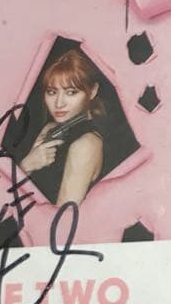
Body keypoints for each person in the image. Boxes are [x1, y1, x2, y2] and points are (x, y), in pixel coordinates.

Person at [18, 49, 106, 206]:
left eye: (71, 92)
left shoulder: (86, 145)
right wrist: (26, 166)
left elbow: (63, 218)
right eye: (52, 92)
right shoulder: (51, 128)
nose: (59, 103)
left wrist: (25, 169)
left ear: (92, 91)